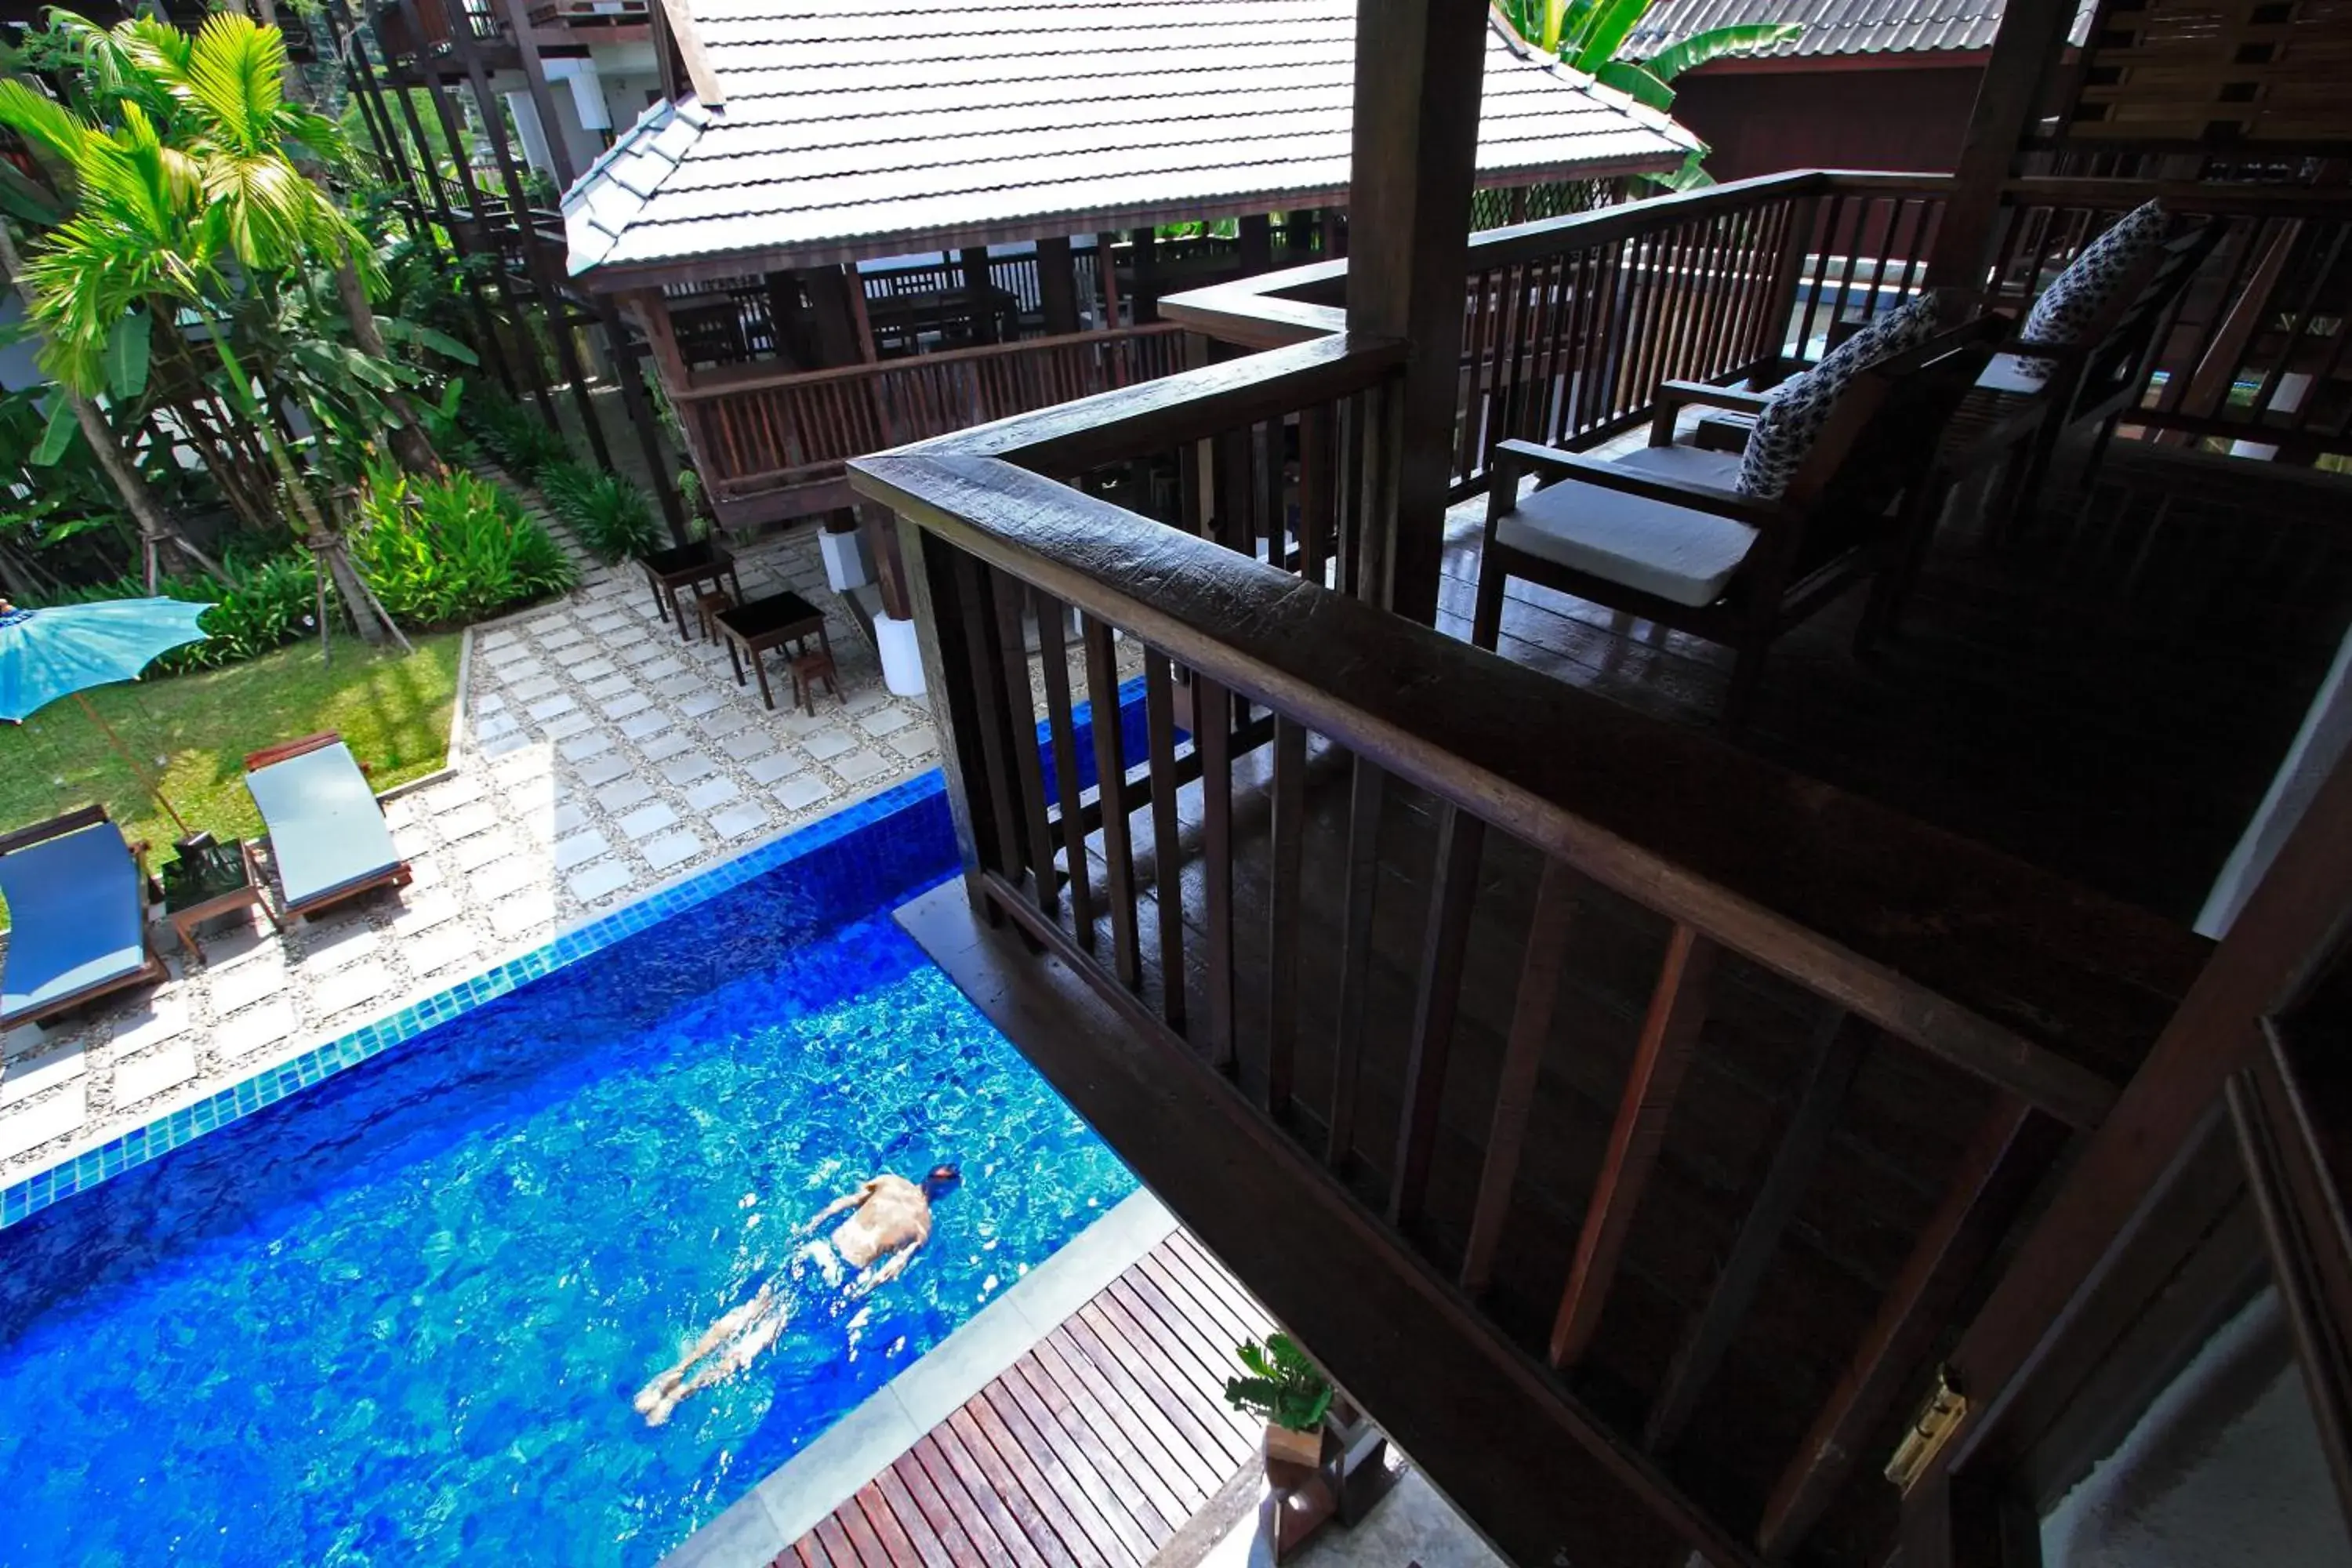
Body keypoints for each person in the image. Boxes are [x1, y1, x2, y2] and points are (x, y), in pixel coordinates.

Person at [633, 1164, 961, 1426]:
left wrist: (809, 1228)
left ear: (926, 1174)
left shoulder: (889, 1181)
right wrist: (859, 1293)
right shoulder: (923, 1227)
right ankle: (679, 1396)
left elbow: (839, 1205)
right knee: (764, 1336)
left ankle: (673, 1374)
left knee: (748, 1311)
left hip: (820, 1250)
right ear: (945, 1194)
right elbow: (890, 1272)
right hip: (839, 1274)